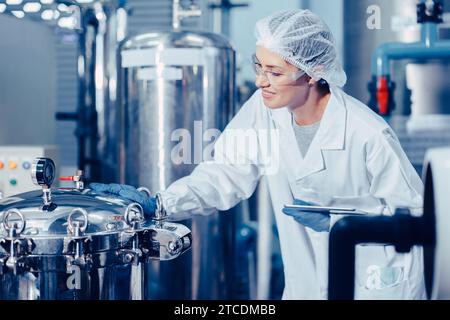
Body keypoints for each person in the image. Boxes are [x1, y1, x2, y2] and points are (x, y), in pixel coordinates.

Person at [91, 9, 426, 299]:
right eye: (259, 67)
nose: (260, 81)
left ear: (312, 72)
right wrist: (162, 204)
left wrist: (343, 220)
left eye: (275, 72)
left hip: (372, 284)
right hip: (305, 285)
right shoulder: (267, 110)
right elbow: (225, 171)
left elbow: (417, 221)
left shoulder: (368, 133)